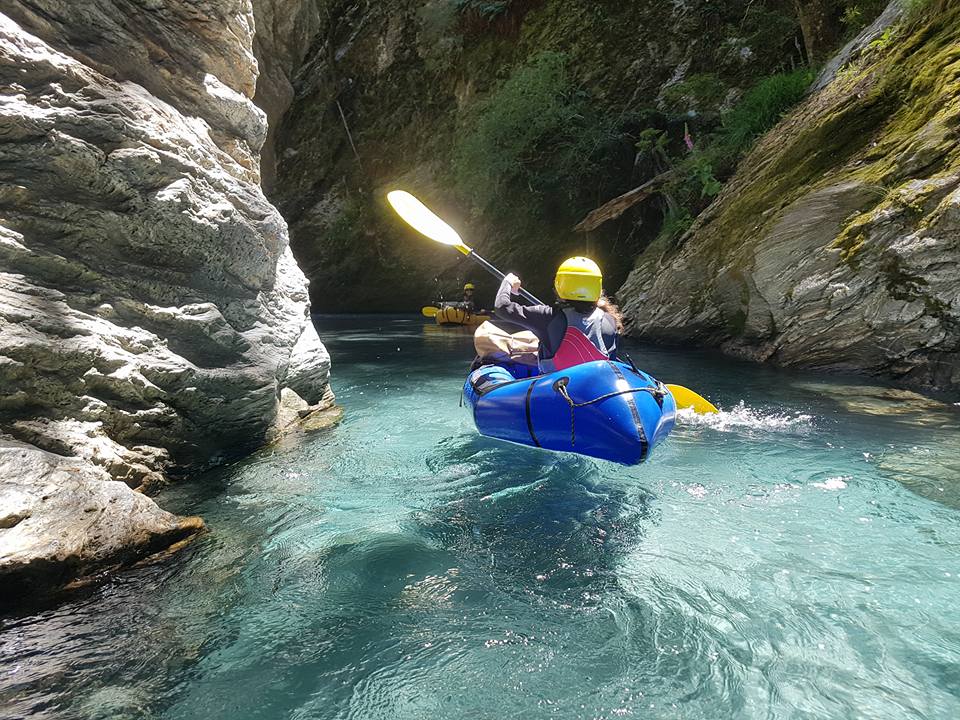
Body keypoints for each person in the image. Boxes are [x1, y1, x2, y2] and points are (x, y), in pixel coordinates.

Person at [494, 257, 622, 372]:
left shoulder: (548, 316)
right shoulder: (609, 320)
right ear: (597, 287)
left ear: (560, 284)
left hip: (555, 387)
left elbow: (502, 307)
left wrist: (508, 282)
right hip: (599, 387)